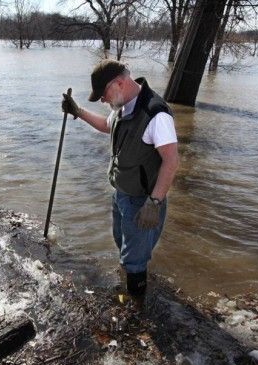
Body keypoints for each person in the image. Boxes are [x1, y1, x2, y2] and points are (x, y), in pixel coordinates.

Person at [62, 59, 179, 295]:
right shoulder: (122, 105)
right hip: (122, 194)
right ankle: (129, 287)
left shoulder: (155, 114)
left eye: (103, 94)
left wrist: (154, 203)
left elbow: (171, 161)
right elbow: (108, 125)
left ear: (119, 83)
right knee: (123, 245)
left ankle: (137, 309)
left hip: (143, 201)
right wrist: (78, 112)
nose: (103, 100)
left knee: (133, 261)